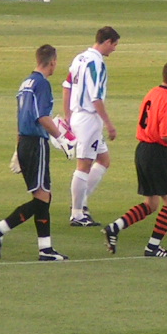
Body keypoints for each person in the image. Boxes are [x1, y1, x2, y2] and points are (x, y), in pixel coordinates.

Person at [0, 44, 71, 262]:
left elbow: (21, 116)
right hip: (35, 143)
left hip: (24, 142)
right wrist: (61, 138)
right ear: (52, 62)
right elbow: (42, 117)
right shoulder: (42, 84)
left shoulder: (25, 83)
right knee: (42, 198)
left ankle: (45, 248)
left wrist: (18, 148)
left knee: (43, 195)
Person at [101, 61, 167, 257]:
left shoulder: (152, 93)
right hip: (156, 152)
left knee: (151, 203)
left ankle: (114, 228)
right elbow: (166, 134)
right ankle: (153, 247)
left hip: (142, 150)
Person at [62, 26, 120, 227]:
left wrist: (68, 115)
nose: (114, 49)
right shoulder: (97, 63)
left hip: (78, 116)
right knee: (84, 165)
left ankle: (81, 202)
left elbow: (67, 86)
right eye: (114, 45)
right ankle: (77, 213)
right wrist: (109, 124)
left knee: (103, 160)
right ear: (107, 42)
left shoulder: (79, 58)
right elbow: (96, 98)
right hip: (89, 119)